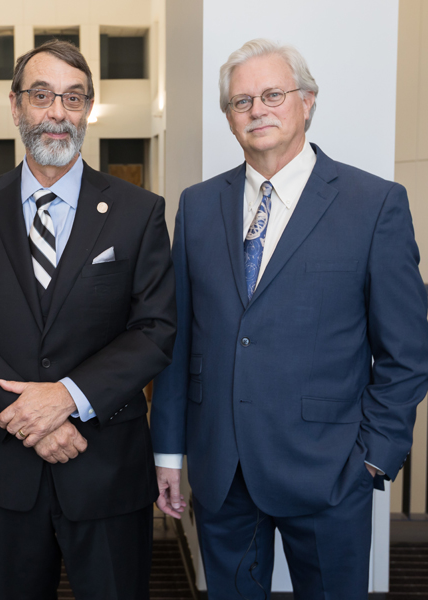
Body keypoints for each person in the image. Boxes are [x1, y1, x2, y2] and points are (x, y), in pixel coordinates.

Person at [151, 38, 428, 598]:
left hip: (331, 473)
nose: (257, 110)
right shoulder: (198, 206)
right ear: (229, 117)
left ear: (308, 101)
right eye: (241, 101)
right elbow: (182, 346)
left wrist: (373, 459)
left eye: (273, 94)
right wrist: (170, 452)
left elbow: (406, 352)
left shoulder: (374, 204)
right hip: (221, 474)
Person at [0, 40, 178, 599]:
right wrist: (27, 417)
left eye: (73, 97)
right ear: (16, 106)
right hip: (5, 467)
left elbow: (155, 329)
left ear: (89, 108)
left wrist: (66, 397)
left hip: (106, 468)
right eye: (41, 95)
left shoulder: (139, 213)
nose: (57, 112)